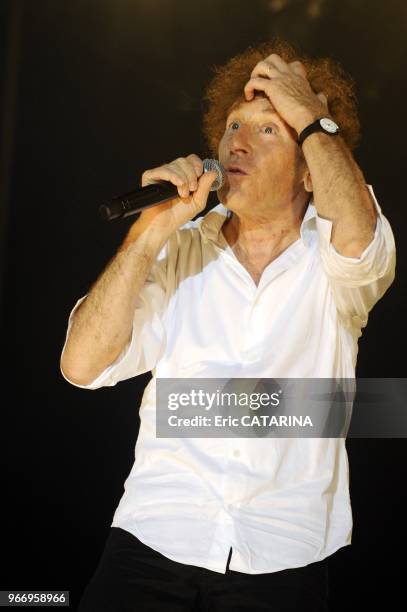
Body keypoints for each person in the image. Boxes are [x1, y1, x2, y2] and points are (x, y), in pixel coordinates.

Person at [60, 39, 396, 611]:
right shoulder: (181, 251)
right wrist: (148, 234)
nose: (237, 141)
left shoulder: (335, 260)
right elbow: (81, 366)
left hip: (281, 560)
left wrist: (310, 115)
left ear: (311, 169)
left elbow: (360, 239)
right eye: (233, 124)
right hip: (152, 541)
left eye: (269, 129)